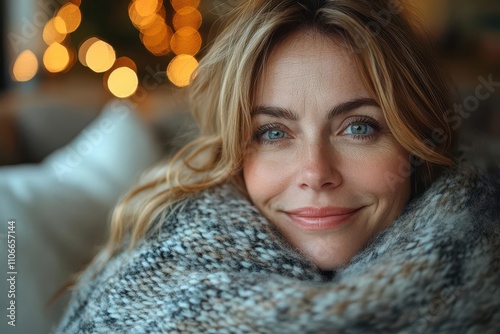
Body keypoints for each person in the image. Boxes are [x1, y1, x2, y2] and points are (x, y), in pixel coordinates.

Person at [55, 0, 500, 332]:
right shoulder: (148, 286)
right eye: (272, 133)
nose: (315, 172)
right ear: (234, 152)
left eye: (359, 128)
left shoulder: (482, 228)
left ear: (415, 143)